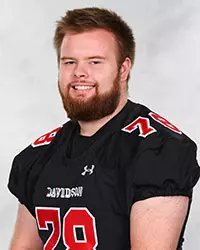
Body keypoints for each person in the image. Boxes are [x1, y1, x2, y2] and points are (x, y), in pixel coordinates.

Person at [7, 7, 200, 250]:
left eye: (95, 62)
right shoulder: (37, 157)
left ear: (123, 69)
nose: (79, 72)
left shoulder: (158, 149)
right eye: (69, 62)